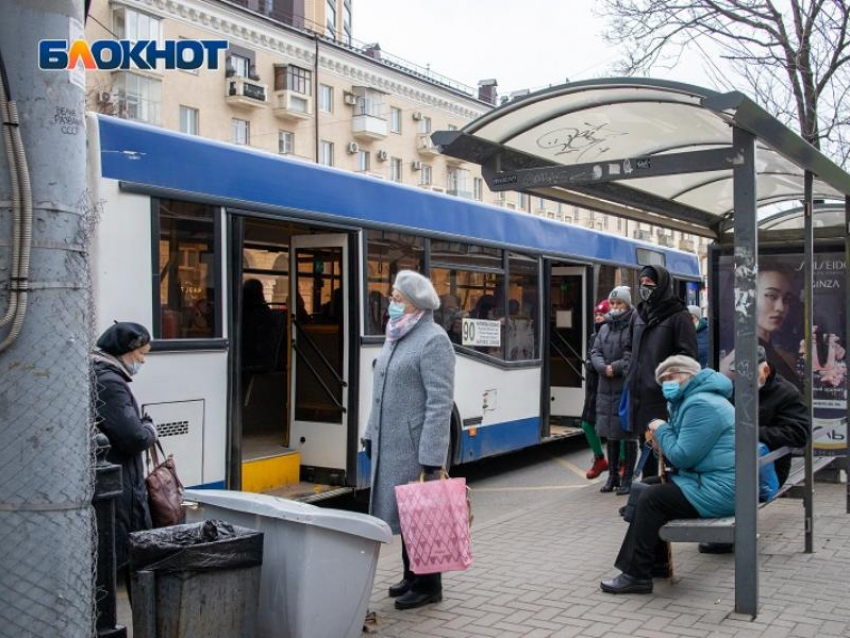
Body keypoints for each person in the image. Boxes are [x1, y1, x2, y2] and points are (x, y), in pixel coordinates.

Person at [601, 355, 735, 594]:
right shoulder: (692, 400)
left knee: (653, 499)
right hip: (714, 481)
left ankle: (637, 574)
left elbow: (683, 456)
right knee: (646, 488)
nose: (667, 384)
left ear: (688, 376)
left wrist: (661, 428)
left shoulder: (700, 404)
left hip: (723, 489)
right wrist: (663, 436)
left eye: (671, 378)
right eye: (663, 380)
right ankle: (656, 563)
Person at [363, 270, 456, 610]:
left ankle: (430, 585)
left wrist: (432, 454)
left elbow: (440, 401)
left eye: (397, 298)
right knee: (406, 513)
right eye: (392, 298)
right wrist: (370, 432)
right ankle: (411, 576)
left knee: (421, 514)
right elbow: (380, 391)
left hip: (416, 447)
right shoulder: (396, 335)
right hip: (392, 443)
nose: (392, 303)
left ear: (415, 303)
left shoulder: (434, 339)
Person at [701, 346, 810, 554]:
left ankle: (729, 531)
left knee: (727, 481)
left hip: (769, 465)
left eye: (749, 374)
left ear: (766, 371)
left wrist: (751, 432)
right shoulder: (733, 390)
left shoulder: (786, 393)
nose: (743, 379)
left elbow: (799, 434)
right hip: (732, 461)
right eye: (739, 374)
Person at [92, 321, 158, 593]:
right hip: (121, 489)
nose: (142, 360)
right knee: (134, 558)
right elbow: (135, 438)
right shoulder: (110, 382)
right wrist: (150, 426)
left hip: (115, 485)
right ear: (125, 351)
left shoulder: (100, 375)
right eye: (141, 353)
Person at [624, 265, 698, 486]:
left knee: (664, 448)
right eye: (642, 282)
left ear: (662, 284)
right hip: (639, 395)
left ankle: (664, 493)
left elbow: (688, 356)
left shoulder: (679, 316)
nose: (645, 286)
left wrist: (668, 381)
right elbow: (628, 347)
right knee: (645, 445)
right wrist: (630, 370)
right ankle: (646, 494)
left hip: (663, 396)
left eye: (650, 282)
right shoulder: (637, 314)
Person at [720, 267, 800, 392]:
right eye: (772, 296)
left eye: (786, 300)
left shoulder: (774, 350)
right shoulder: (742, 354)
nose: (781, 308)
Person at [592, 287, 636, 493]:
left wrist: (614, 368)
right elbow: (595, 351)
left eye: (620, 304)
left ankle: (627, 479)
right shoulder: (604, 328)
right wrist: (602, 367)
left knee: (626, 433)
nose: (616, 307)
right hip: (605, 385)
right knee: (610, 433)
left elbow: (632, 354)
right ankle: (612, 477)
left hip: (624, 385)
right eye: (614, 303)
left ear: (627, 305)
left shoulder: (633, 325)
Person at [581, 300, 610, 479]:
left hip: (607, 385)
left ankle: (622, 462)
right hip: (593, 386)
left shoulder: (613, 334)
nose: (599, 318)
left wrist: (594, 364)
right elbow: (590, 360)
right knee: (586, 424)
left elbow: (598, 361)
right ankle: (599, 458)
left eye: (602, 314)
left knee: (616, 428)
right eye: (597, 315)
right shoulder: (594, 336)